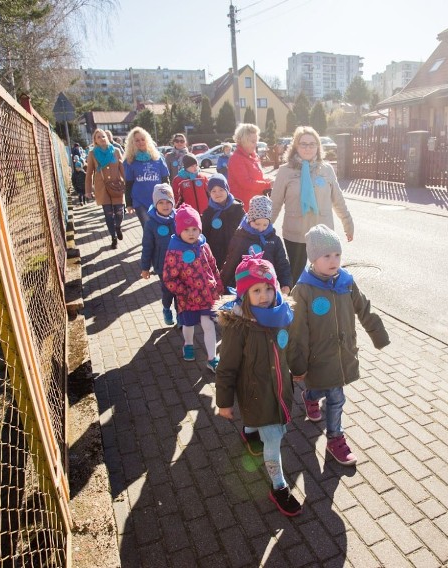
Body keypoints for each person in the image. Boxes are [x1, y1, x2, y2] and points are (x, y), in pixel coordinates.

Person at [289, 224, 389, 466]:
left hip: (343, 352)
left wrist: (378, 334)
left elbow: (363, 308)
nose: (334, 260)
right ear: (313, 259)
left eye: (337, 255)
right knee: (332, 394)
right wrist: (298, 365)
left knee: (332, 393)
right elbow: (297, 331)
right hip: (317, 357)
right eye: (326, 256)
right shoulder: (303, 290)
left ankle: (322, 416)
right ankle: (327, 424)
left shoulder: (346, 281)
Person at [215, 253, 301, 516]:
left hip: (280, 388)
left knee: (265, 425)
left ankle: (250, 432)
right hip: (254, 393)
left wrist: (298, 370)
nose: (264, 295)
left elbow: (292, 349)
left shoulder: (283, 317)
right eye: (256, 290)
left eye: (268, 288)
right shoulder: (239, 327)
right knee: (273, 439)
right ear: (244, 295)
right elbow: (227, 367)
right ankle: (278, 486)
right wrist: (224, 402)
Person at [271, 126, 354, 283]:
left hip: (323, 234)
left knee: (326, 277)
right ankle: (296, 306)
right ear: (296, 146)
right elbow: (274, 204)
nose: (308, 148)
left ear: (318, 146)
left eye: (312, 144)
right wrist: (264, 229)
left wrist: (348, 223)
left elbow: (338, 200)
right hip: (295, 234)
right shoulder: (285, 171)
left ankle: (322, 307)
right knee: (294, 279)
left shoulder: (327, 169)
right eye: (303, 144)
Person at [162, 204, 223, 371]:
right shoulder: (174, 251)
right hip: (188, 298)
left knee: (208, 325)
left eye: (195, 229)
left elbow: (213, 265)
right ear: (179, 230)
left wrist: (218, 283)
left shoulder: (204, 245)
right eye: (186, 229)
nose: (191, 233)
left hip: (207, 295)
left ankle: (212, 358)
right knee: (188, 325)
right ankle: (188, 344)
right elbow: (169, 277)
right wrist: (184, 291)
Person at [220, 195, 291, 295]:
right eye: (257, 224)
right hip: (246, 287)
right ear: (250, 220)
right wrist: (223, 284)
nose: (261, 228)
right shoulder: (240, 237)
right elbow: (231, 262)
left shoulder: (274, 240)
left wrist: (286, 283)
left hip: (268, 286)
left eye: (265, 224)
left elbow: (282, 263)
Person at [140, 184, 177, 326]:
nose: (165, 205)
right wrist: (145, 268)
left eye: (168, 202)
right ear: (155, 204)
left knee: (180, 292)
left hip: (180, 265)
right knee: (168, 291)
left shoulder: (178, 218)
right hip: (163, 266)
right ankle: (167, 309)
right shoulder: (151, 223)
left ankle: (181, 316)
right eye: (161, 202)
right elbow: (147, 247)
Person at [85, 128, 125, 249]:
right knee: (108, 215)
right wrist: (88, 190)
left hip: (117, 186)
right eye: (99, 137)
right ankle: (113, 238)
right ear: (95, 141)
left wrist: (128, 186)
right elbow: (89, 173)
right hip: (101, 188)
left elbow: (122, 169)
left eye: (103, 136)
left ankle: (118, 226)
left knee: (119, 212)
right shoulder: (92, 154)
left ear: (107, 138)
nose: (102, 139)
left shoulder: (116, 151)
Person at [124, 127, 170, 227]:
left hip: (158, 200)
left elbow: (165, 180)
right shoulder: (130, 161)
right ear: (132, 143)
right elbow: (128, 184)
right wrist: (128, 203)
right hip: (140, 201)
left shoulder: (158, 157)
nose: (140, 142)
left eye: (142, 139)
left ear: (147, 140)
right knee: (148, 227)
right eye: (137, 140)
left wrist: (169, 197)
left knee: (160, 227)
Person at [201, 173, 245, 277]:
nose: (218, 193)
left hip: (236, 253)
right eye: (213, 191)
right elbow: (204, 235)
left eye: (221, 189)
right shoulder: (208, 213)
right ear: (209, 193)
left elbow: (246, 230)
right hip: (216, 254)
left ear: (227, 190)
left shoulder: (238, 209)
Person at [227, 123, 272, 212]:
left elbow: (256, 178)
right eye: (253, 141)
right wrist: (268, 184)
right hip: (244, 207)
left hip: (256, 203)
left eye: (256, 141)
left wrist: (266, 180)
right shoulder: (236, 158)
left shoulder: (253, 156)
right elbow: (246, 183)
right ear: (243, 141)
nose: (256, 144)